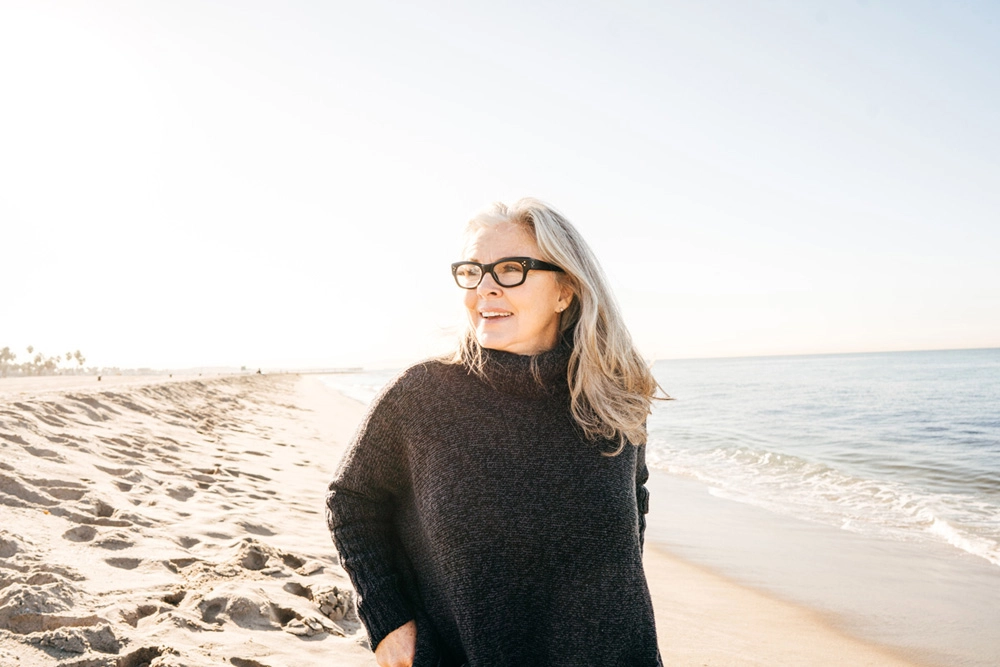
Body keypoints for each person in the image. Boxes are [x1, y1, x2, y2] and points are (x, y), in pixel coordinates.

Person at [326, 198, 664, 667]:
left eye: (510, 269)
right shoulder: (423, 396)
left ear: (565, 290)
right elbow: (351, 500)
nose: (484, 289)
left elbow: (635, 496)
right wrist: (388, 622)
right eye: (473, 272)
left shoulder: (613, 396)